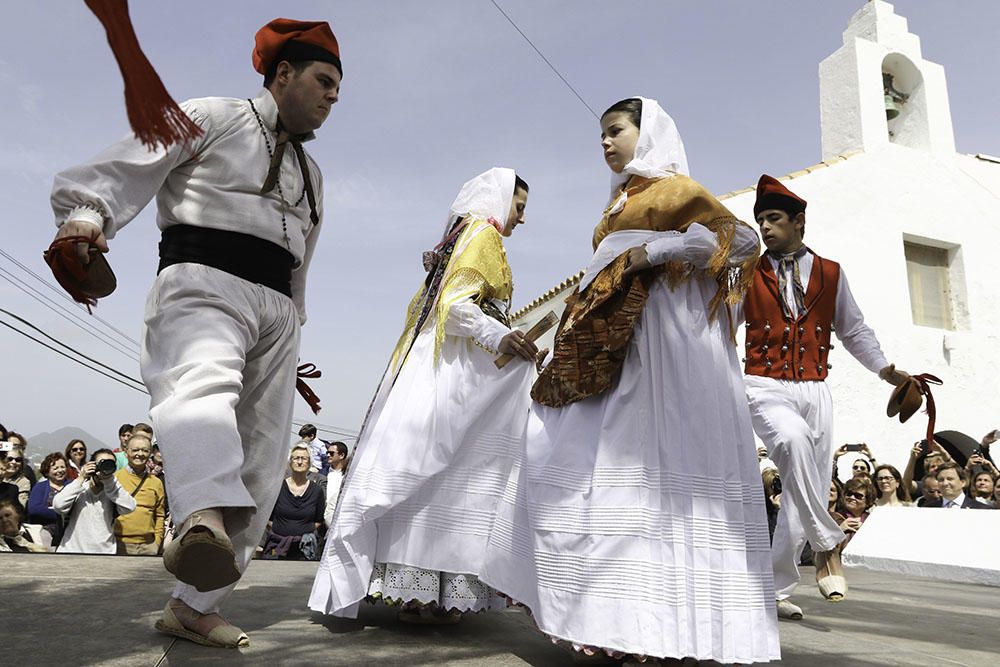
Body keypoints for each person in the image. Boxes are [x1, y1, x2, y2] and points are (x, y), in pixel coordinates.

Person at [49, 18, 342, 647]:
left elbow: (302, 263)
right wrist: (84, 216)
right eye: (324, 80)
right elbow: (125, 165)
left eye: (337, 88)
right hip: (203, 280)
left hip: (277, 314)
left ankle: (192, 606)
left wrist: (291, 326)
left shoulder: (314, 176)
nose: (333, 96)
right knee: (199, 390)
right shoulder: (212, 115)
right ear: (282, 74)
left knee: (263, 463)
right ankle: (201, 515)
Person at [480, 98, 778, 663]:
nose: (606, 143)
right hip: (605, 337)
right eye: (602, 135)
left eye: (615, 130)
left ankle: (661, 626)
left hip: (663, 340)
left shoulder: (677, 189)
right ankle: (605, 617)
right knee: (569, 455)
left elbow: (739, 243)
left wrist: (658, 251)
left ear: (649, 133)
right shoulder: (617, 202)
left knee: (652, 469)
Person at [311, 167, 536, 623]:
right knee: (453, 473)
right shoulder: (483, 234)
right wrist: (501, 337)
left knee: (429, 476)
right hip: (454, 370)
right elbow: (454, 306)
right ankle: (430, 595)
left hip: (431, 367)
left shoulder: (456, 237)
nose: (521, 219)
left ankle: (419, 594)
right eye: (520, 206)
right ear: (499, 199)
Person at [738, 174, 910, 621]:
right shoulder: (748, 272)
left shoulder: (831, 273)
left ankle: (775, 590)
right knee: (791, 442)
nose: (765, 228)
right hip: (762, 382)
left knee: (803, 490)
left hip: (816, 386)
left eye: (773, 218)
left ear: (799, 222)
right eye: (760, 221)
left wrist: (885, 369)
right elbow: (719, 324)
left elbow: (853, 329)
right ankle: (829, 542)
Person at [54, 448, 136, 554]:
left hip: (104, 552)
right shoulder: (79, 487)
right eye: (102, 463)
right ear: (92, 465)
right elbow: (58, 505)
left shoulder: (113, 491)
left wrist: (109, 480)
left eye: (110, 464)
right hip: (73, 550)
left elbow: (130, 507)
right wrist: (81, 477)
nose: (105, 466)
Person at [263, 445, 325, 560]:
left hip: (304, 549)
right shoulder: (277, 487)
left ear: (310, 463)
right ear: (290, 462)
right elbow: (267, 517)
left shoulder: (317, 490)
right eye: (296, 458)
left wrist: (303, 531)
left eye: (304, 458)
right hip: (277, 546)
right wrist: (281, 529)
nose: (300, 462)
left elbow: (319, 520)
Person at [114, 434, 167, 554]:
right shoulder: (115, 479)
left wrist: (157, 543)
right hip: (119, 544)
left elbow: (159, 515)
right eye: (135, 450)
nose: (140, 454)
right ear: (126, 452)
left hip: (148, 546)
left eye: (145, 450)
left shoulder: (156, 482)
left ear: (150, 453)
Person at [27, 452, 69, 545]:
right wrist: (60, 514)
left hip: (69, 530)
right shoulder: (40, 487)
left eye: (62, 467)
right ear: (47, 471)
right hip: (44, 529)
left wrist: (50, 510)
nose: (60, 470)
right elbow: (34, 509)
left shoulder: (72, 485)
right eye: (55, 468)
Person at [923, 463, 993, 509]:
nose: (945, 483)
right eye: (941, 480)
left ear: (963, 482)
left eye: (950, 479)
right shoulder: (928, 508)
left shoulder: (982, 509)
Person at [322, 441, 349, 527]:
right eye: (327, 453)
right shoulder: (322, 473)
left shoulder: (348, 476)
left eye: (331, 453)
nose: (328, 455)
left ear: (341, 455)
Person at [2, 444, 32, 508]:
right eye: (10, 459)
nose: (14, 462)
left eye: (18, 460)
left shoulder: (23, 482)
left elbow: (20, 507)